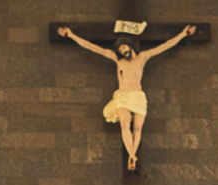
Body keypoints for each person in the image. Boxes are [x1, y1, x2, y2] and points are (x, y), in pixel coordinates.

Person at [58, 25, 196, 170]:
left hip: (138, 96)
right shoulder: (118, 60)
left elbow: (165, 46)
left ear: (129, 46)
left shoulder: (143, 57)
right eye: (120, 51)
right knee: (124, 124)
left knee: (137, 128)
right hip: (123, 96)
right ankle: (132, 155)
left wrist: (183, 34)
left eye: (124, 48)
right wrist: (71, 35)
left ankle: (132, 155)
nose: (123, 52)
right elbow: (92, 47)